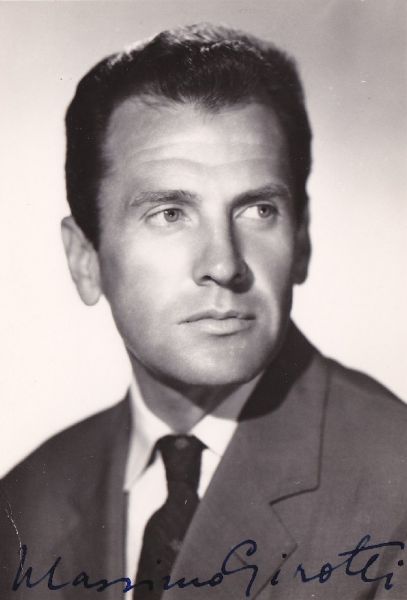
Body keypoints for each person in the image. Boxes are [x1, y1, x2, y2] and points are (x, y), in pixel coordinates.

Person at [1, 22, 406, 600]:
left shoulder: (395, 489)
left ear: (302, 241)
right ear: (85, 259)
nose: (224, 263)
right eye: (170, 213)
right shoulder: (22, 508)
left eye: (258, 210)